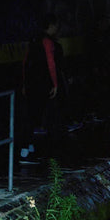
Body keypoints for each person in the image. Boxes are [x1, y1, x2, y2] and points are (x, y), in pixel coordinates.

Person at [21, 14, 65, 161]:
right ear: (51, 26)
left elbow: (25, 63)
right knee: (48, 116)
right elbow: (50, 63)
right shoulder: (47, 42)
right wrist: (55, 83)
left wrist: (24, 84)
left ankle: (27, 149)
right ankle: (50, 152)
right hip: (43, 84)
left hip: (31, 84)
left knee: (31, 116)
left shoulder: (33, 40)